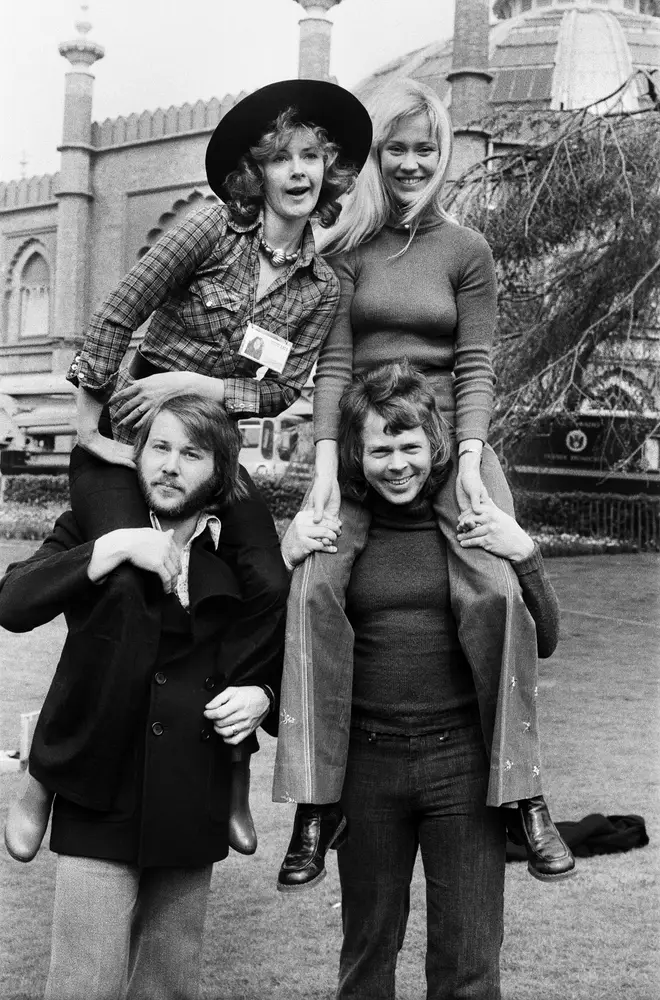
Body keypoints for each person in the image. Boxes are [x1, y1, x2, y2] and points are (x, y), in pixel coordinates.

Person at [4, 78, 372, 861]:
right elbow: (117, 312)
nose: (300, 171)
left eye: (314, 158)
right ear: (259, 172)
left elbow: (279, 387)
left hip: (215, 447)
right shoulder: (211, 230)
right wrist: (87, 433)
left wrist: (196, 385)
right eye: (284, 158)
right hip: (129, 434)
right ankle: (47, 770)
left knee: (269, 584)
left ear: (330, 175)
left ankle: (232, 762)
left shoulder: (324, 286)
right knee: (128, 593)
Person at [273, 78, 574, 888]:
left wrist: (472, 456)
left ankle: (523, 793)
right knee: (313, 588)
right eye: (395, 149)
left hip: (446, 441)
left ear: (443, 157)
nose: (410, 163)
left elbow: (476, 362)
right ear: (374, 158)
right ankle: (313, 801)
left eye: (424, 149)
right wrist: (326, 466)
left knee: (498, 593)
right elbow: (334, 362)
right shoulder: (342, 248)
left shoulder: (467, 252)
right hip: (363, 442)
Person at [0, 392, 338, 1000]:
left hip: (192, 784)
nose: (169, 466)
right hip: (96, 787)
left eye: (191, 454)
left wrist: (262, 692)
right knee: (82, 986)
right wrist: (115, 548)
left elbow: (275, 631)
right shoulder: (95, 523)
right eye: (159, 447)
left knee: (168, 988)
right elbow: (14, 602)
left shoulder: (241, 549)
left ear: (220, 473)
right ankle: (41, 781)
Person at [280, 363, 568, 998]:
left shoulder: (473, 527)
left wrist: (525, 553)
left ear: (435, 444)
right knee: (367, 956)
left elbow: (542, 639)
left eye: (409, 446)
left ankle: (529, 803)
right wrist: (286, 556)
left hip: (460, 765)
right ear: (357, 452)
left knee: (468, 963)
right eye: (380, 449)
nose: (396, 464)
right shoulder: (337, 531)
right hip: (367, 767)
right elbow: (293, 640)